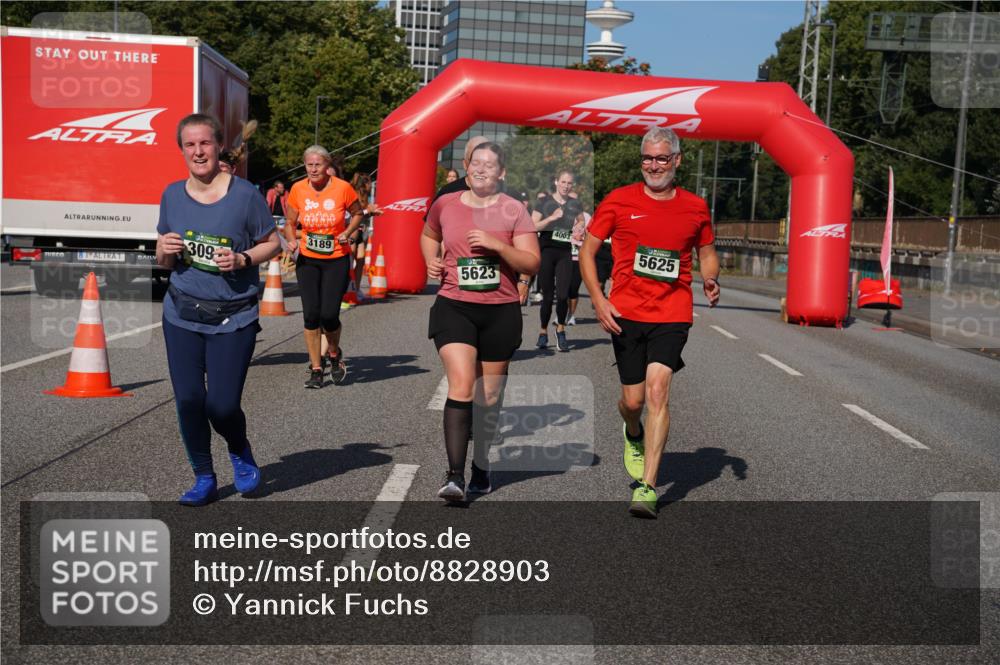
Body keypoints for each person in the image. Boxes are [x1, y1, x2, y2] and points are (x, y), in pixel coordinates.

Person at [579, 127, 720, 519]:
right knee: (633, 401)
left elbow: (707, 252)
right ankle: (633, 430)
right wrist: (598, 299)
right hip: (625, 312)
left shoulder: (695, 207)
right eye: (647, 158)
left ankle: (648, 486)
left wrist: (711, 277)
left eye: (661, 158)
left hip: (672, 312)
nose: (653, 165)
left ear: (677, 160)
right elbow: (587, 253)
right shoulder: (619, 201)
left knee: (659, 391)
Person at [155, 113, 281, 506]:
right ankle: (203, 477)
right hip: (182, 313)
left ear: (217, 146)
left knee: (222, 405)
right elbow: (163, 260)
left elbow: (273, 243)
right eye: (190, 145)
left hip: (233, 316)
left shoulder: (245, 195)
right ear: (182, 150)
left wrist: (243, 259)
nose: (198, 151)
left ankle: (239, 448)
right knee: (190, 400)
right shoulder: (172, 194)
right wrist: (164, 251)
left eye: (205, 143)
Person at [421, 142, 540, 503]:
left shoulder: (513, 210)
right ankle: (454, 476)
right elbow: (429, 235)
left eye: (490, 165)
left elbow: (531, 263)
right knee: (460, 383)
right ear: (467, 167)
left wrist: (499, 247)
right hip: (454, 305)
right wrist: (431, 261)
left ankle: (481, 467)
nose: (482, 169)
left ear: (501, 173)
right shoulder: (446, 204)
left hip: (499, 310)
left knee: (488, 396)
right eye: (476, 163)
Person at [284, 145, 379, 389]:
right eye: (309, 164)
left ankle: (334, 353)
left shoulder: (342, 188)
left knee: (329, 315)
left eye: (318, 164)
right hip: (307, 258)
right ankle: (317, 368)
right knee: (310, 315)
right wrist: (292, 239)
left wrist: (347, 233)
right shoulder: (298, 189)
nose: (313, 169)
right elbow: (290, 222)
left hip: (335, 257)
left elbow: (358, 213)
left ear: (327, 166)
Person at [532, 170, 580, 351]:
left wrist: (579, 227)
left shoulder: (574, 204)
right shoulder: (544, 202)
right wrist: (552, 218)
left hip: (565, 253)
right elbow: (532, 225)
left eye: (569, 183)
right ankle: (543, 331)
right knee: (547, 296)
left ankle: (561, 329)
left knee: (562, 295)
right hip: (546, 252)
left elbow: (581, 220)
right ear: (556, 182)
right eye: (563, 182)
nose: (566, 186)